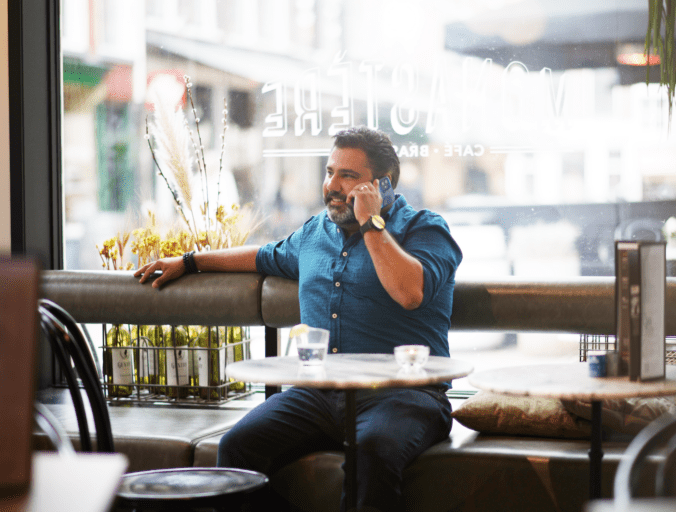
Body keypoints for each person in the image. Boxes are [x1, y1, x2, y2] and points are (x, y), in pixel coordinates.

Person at [134, 126, 463, 511]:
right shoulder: (314, 234)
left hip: (406, 396)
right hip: (319, 394)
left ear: (383, 186)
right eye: (329, 172)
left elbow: (410, 292)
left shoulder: (425, 229)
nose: (332, 185)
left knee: (372, 451)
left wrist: (372, 224)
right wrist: (190, 261)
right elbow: (260, 256)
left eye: (348, 176)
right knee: (237, 447)